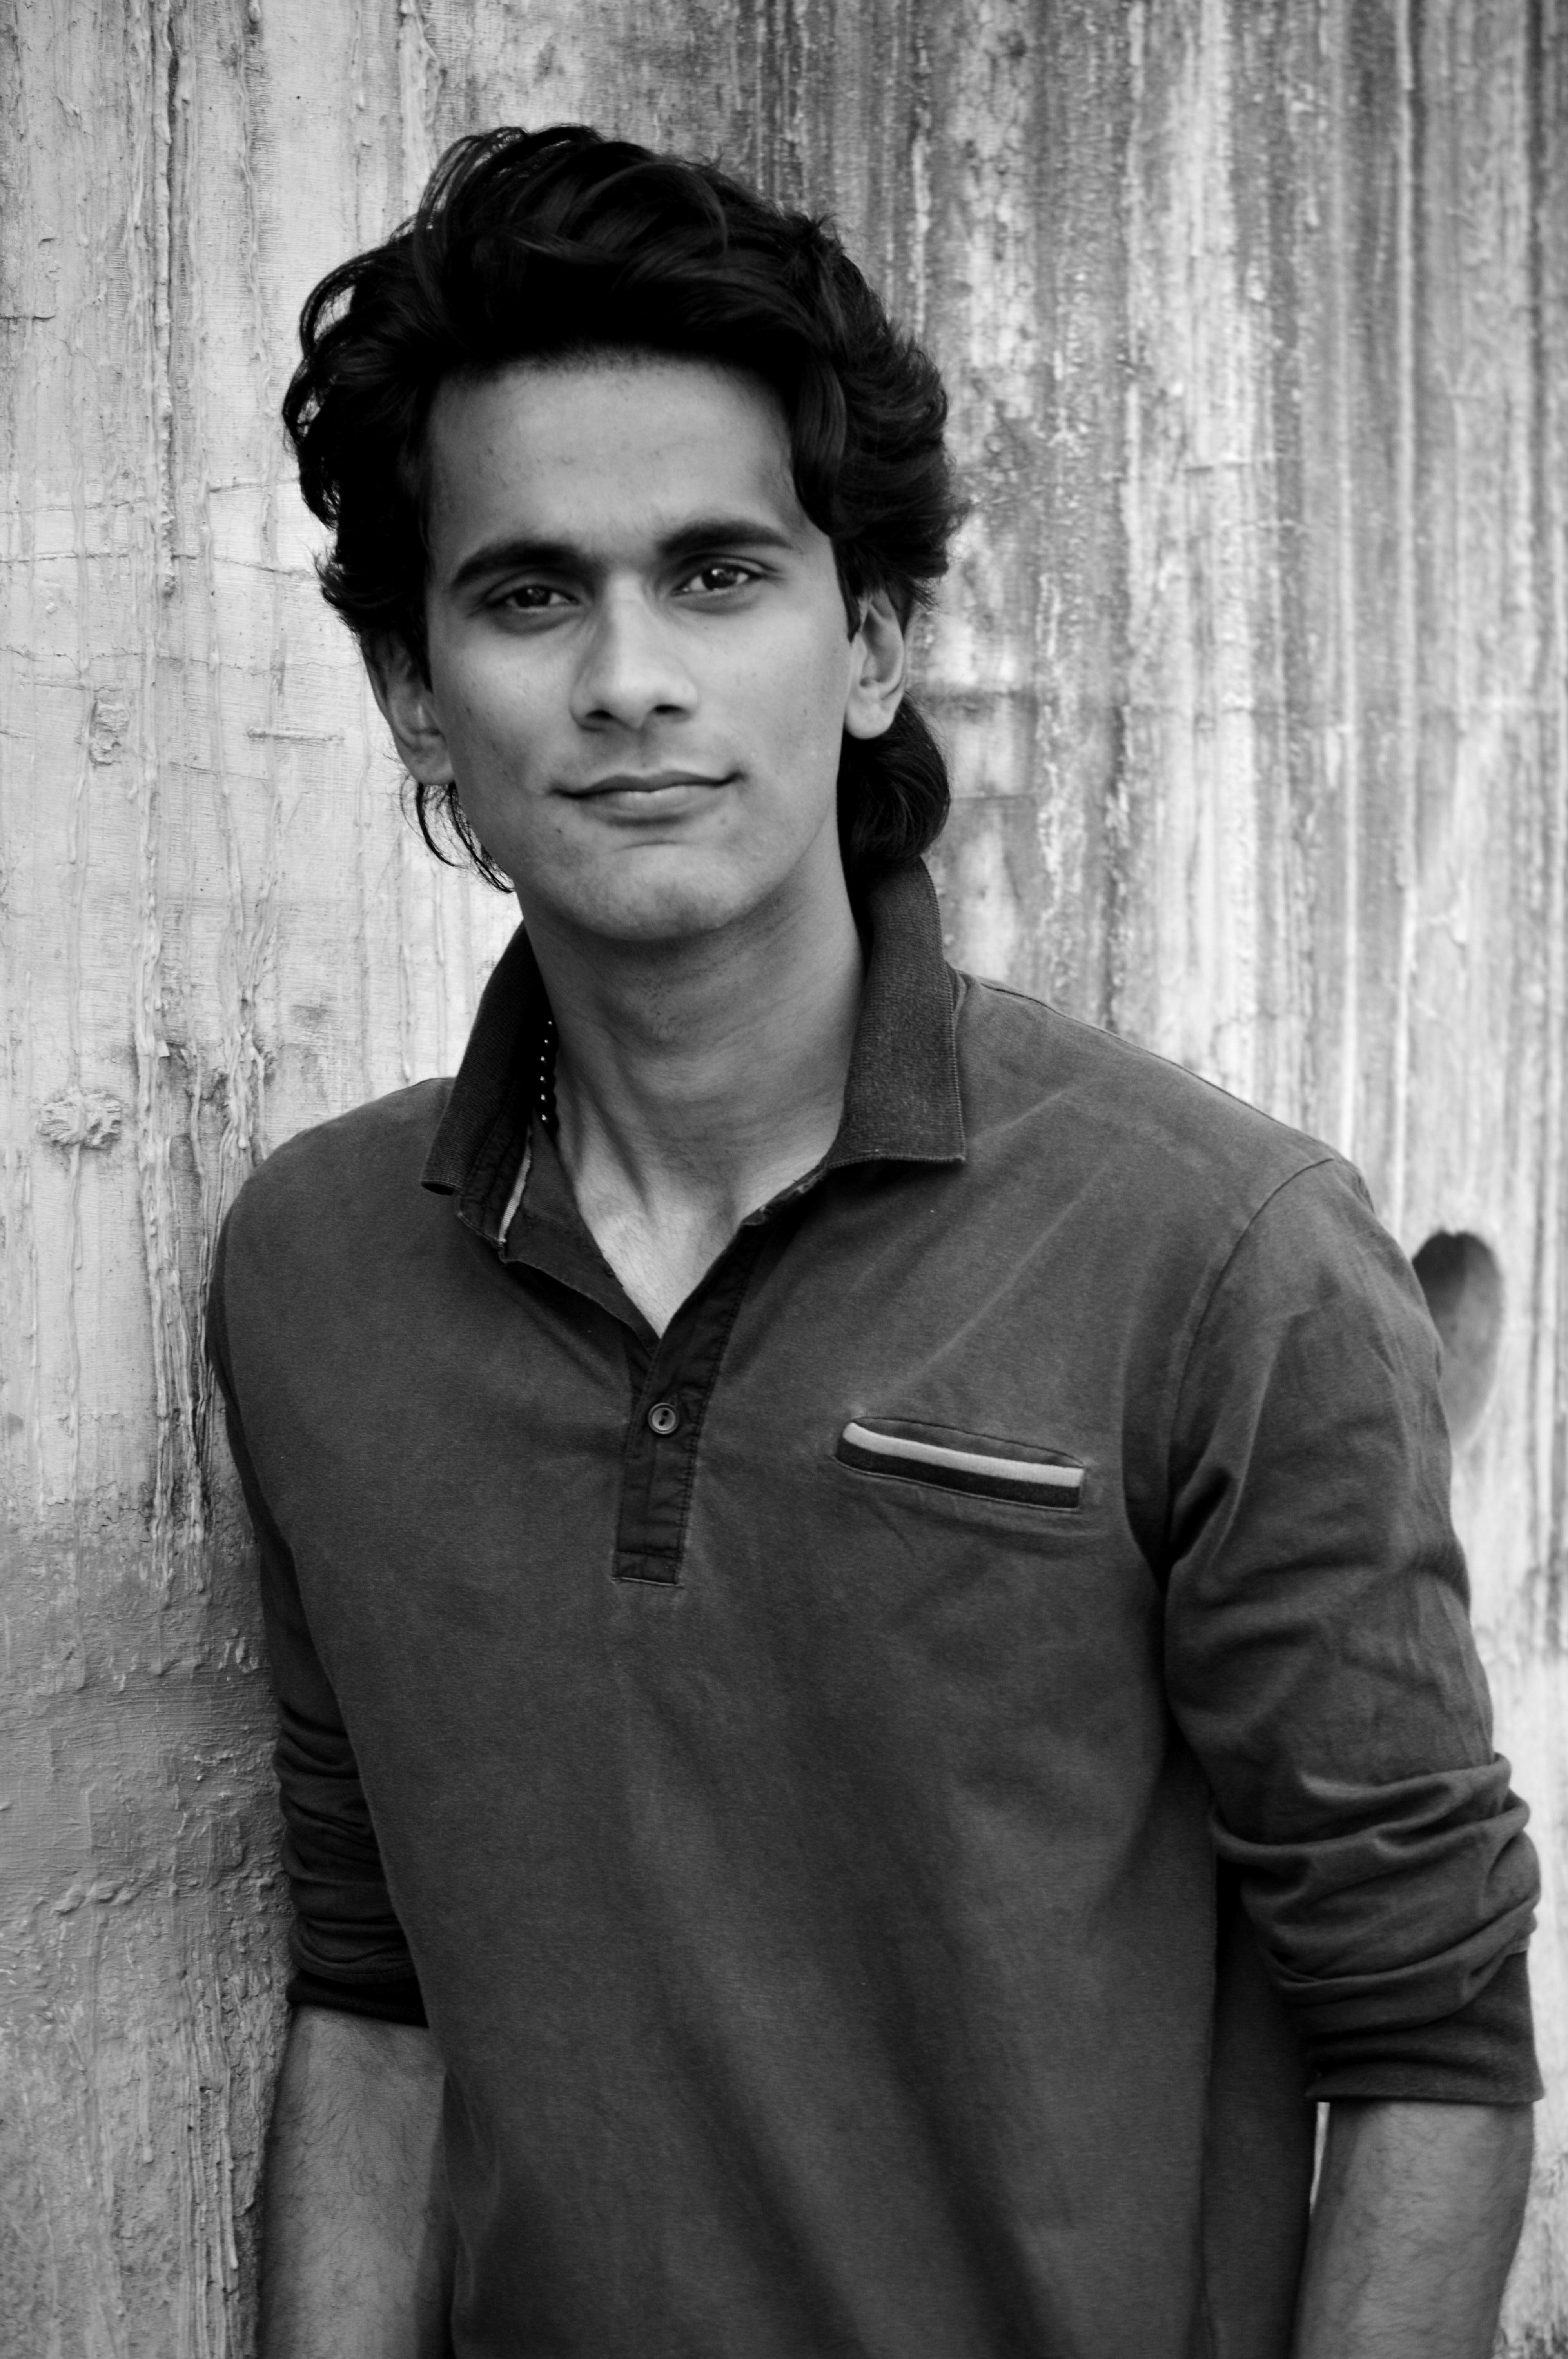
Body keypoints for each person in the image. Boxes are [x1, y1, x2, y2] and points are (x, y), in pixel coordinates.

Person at [208, 123, 1541, 2359]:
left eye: (718, 574)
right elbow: (377, 2000)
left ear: (874, 644)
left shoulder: (1219, 1256)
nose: (629, 676)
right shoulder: (313, 1271)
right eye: (528, 595)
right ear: (416, 692)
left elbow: (1431, 2048)